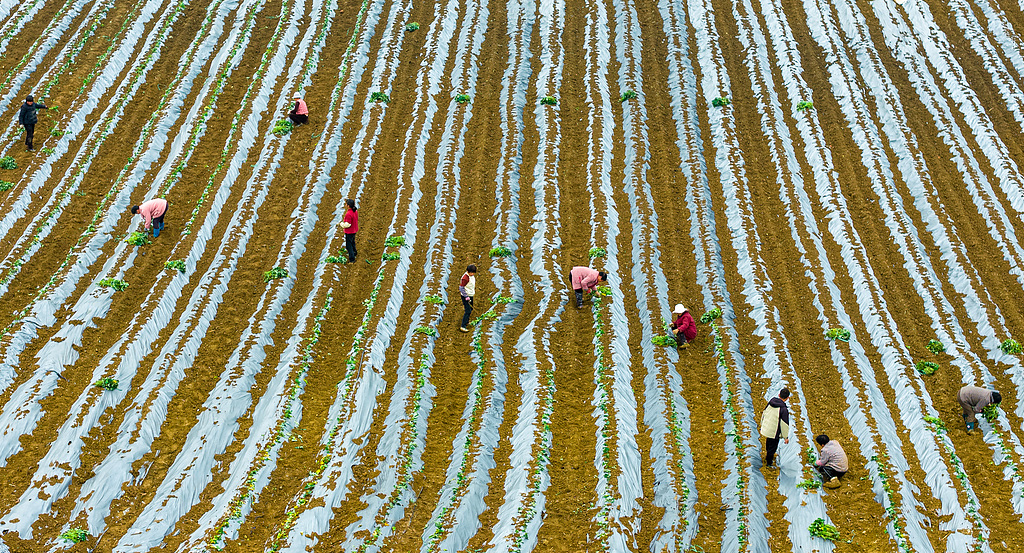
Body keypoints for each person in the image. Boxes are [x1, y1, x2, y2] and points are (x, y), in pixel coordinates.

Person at [759, 388, 791, 470]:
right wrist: (786, 437)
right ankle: (769, 463)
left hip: (767, 428)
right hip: (774, 431)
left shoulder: (771, 403)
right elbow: (784, 424)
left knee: (768, 442)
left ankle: (768, 455)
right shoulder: (783, 409)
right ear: (787, 398)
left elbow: (764, 413)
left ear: (779, 395)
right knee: (773, 447)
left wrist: (762, 424)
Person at [459, 264, 477, 332]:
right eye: (471, 272)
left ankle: (466, 321)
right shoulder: (465, 278)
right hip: (466, 296)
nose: (472, 274)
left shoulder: (471, 276)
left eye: (473, 272)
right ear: (467, 271)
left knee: (471, 308)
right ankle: (463, 326)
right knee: (468, 310)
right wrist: (466, 296)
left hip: (470, 294)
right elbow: (461, 287)